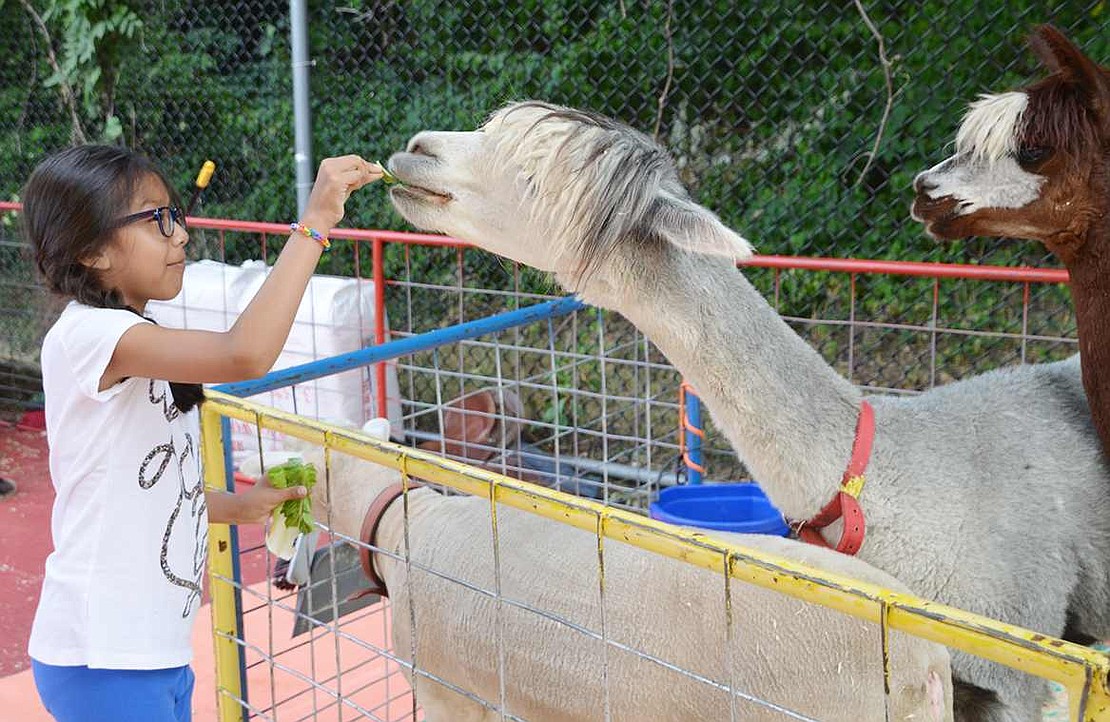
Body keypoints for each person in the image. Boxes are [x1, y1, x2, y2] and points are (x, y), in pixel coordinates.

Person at [20, 144, 381, 722]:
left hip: (151, 649)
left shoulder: (139, 339)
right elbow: (246, 354)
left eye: (176, 217)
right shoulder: (89, 336)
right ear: (90, 250)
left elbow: (155, 493)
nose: (180, 236)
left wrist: (243, 507)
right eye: (156, 220)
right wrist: (314, 224)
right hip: (103, 656)